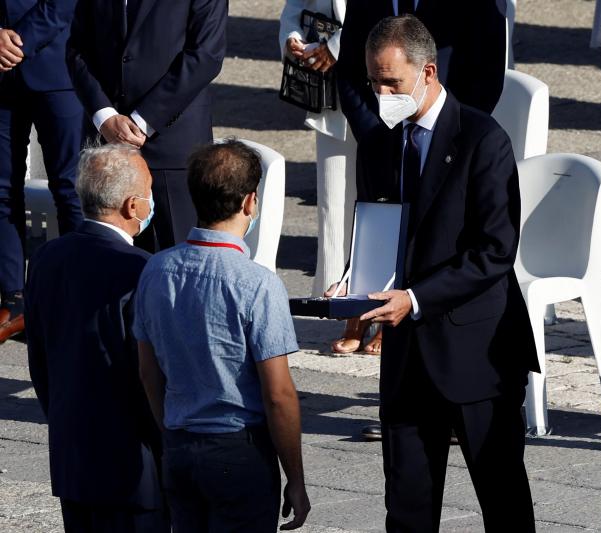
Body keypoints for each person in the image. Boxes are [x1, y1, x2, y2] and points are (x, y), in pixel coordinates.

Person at [328, 16, 538, 531]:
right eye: (373, 81)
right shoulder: (382, 141)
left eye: (391, 83)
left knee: (502, 499)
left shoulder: (482, 139)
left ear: (428, 71)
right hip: (406, 359)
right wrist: (355, 280)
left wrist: (415, 298)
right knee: (407, 507)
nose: (380, 93)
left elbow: (494, 251)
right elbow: (381, 225)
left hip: (476, 352)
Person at [134, 140, 310, 532]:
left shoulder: (156, 270)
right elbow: (278, 394)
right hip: (238, 449)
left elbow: (149, 372)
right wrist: (295, 479)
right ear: (250, 202)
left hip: (180, 443)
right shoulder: (258, 284)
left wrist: (172, 432)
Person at [25, 144, 167, 533]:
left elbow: (39, 358)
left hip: (73, 458)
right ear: (132, 206)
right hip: (133, 469)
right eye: (149, 192)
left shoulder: (46, 258)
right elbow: (148, 373)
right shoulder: (140, 269)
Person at [66, 0, 227, 252]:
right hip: (107, 148)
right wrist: (105, 116)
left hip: (172, 146)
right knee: (108, 268)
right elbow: (77, 48)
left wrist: (143, 120)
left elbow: (206, 54)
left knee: (178, 262)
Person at [279, 0, 370, 354]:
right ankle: (348, 306)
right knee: (336, 197)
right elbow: (296, 6)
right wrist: (293, 38)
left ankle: (383, 311)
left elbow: (394, 12)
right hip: (328, 83)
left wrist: (337, 48)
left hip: (382, 77)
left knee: (385, 198)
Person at [0, 0, 84, 344]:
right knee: (1, 189)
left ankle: (78, 299)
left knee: (72, 189)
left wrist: (16, 42)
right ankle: (13, 300)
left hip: (57, 68)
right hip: (2, 75)